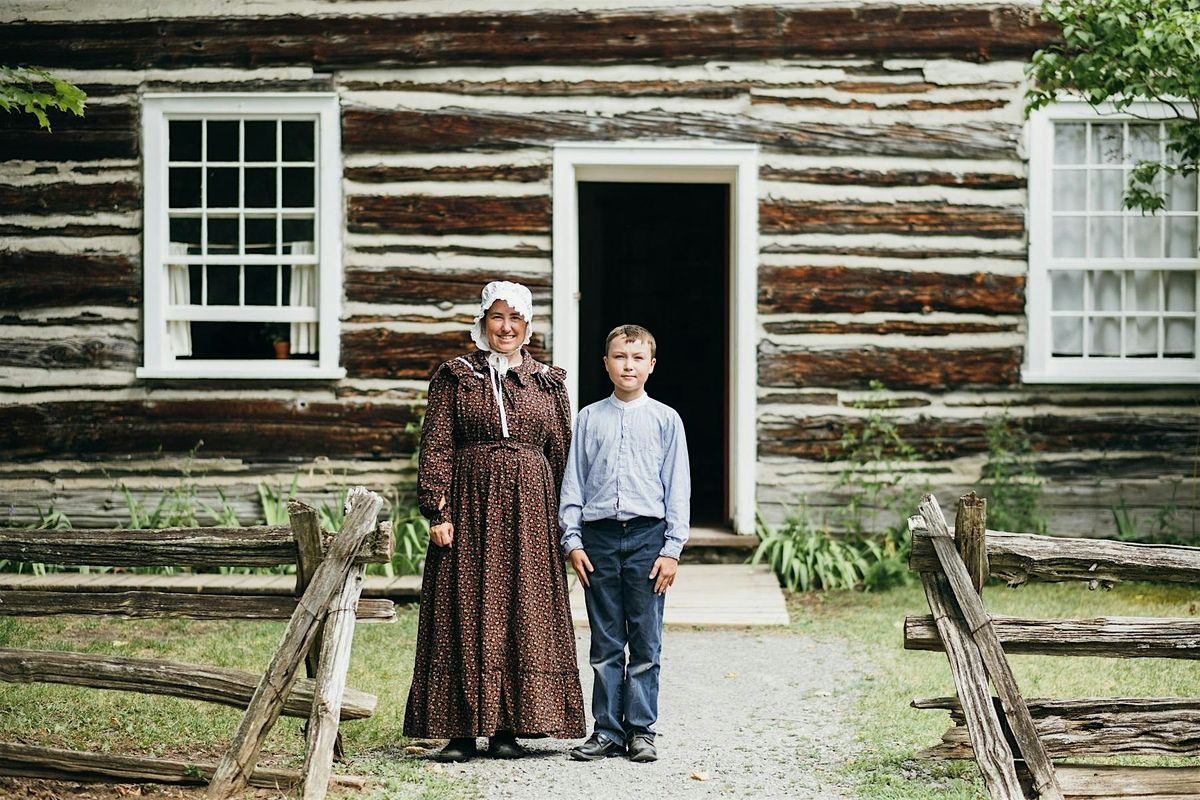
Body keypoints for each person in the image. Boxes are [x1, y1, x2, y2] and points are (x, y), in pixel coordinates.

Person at [404, 281, 586, 763]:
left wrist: (568, 522)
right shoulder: (455, 376)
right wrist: (437, 510)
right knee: (463, 609)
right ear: (483, 321)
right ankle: (460, 731)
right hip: (469, 506)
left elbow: (562, 455)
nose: (506, 327)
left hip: (531, 511)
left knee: (521, 610)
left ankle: (510, 726)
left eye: (516, 319)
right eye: (497, 317)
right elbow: (437, 443)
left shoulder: (548, 381)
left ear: (528, 326)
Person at [558, 324, 691, 764]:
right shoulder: (590, 418)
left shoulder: (665, 419)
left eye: (637, 358)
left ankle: (641, 730)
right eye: (619, 357)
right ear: (606, 363)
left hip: (647, 539)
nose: (627, 365)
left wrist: (671, 549)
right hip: (597, 538)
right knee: (606, 641)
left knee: (646, 641)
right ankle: (607, 731)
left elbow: (677, 488)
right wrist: (572, 539)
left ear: (651, 365)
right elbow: (573, 482)